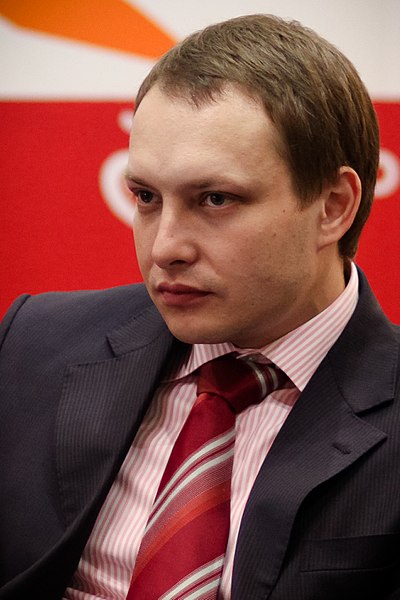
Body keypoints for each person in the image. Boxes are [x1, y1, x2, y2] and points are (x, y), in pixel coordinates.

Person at [0, 13, 399, 600]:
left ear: (333, 206)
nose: (165, 248)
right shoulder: (33, 344)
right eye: (145, 197)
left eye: (214, 199)